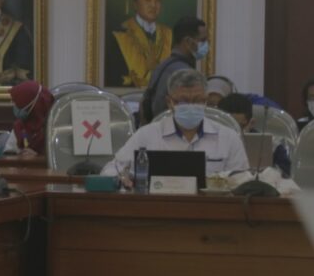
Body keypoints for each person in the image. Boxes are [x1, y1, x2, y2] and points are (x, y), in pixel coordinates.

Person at [103, 69, 248, 180]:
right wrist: (122, 178)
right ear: (169, 102)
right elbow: (110, 170)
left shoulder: (229, 138)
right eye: (183, 101)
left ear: (205, 100)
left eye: (197, 100)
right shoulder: (146, 135)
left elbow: (244, 181)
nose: (191, 105)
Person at [105, 0, 181, 89]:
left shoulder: (169, 34)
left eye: (158, 0)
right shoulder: (119, 35)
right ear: (135, 4)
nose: (153, 5)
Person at [140, 16, 208, 123]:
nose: (206, 45)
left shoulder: (162, 65)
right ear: (188, 41)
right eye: (202, 40)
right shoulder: (185, 73)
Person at [217, 93, 291, 177]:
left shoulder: (272, 145)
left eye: (240, 126)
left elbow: (286, 174)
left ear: (251, 123)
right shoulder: (209, 140)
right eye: (229, 127)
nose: (234, 133)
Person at [9, 81, 55, 157]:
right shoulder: (19, 126)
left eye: (17, 103)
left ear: (33, 105)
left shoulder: (55, 129)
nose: (15, 107)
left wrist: (38, 157)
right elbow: (8, 154)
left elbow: (59, 156)